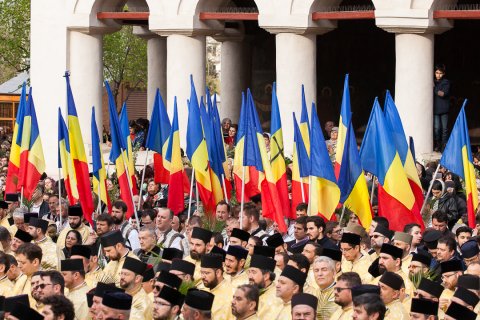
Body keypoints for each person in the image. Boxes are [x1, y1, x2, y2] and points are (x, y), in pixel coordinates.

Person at [200, 253, 233, 320]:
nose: (202, 277)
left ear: (218, 273)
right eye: (202, 272)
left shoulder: (232, 295)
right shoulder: (201, 288)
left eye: (207, 273)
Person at [433, 64, 450, 151]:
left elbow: (442, 94)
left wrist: (434, 88)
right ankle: (438, 145)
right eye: (436, 73)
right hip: (435, 110)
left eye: (440, 73)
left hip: (444, 110)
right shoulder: (432, 82)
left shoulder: (445, 82)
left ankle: (444, 146)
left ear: (443, 74)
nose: (438, 75)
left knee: (444, 129)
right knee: (437, 129)